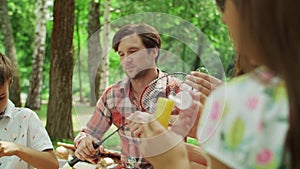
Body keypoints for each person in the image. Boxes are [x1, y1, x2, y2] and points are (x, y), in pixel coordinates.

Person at [127, 0, 300, 168]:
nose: (224, 17)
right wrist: (209, 134)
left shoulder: (241, 98)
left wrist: (173, 164)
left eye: (228, 3)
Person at [73, 23, 189, 168]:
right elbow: (89, 133)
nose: (126, 60)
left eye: (133, 52)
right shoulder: (113, 95)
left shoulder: (176, 91)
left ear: (153, 52)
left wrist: (155, 124)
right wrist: (85, 142)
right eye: (122, 54)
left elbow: (195, 135)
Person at [0, 52, 59, 169]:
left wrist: (17, 149)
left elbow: (52, 164)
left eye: (1, 97)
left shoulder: (25, 118)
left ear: (10, 83)